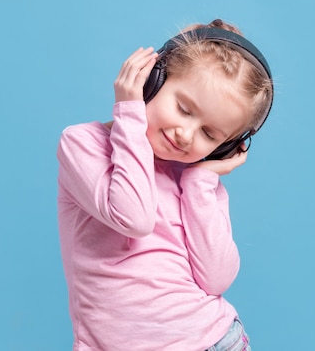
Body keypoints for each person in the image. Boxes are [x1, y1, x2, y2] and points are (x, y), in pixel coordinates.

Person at [56, 19, 273, 350]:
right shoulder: (83, 144)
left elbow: (217, 279)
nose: (185, 134)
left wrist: (201, 182)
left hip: (213, 340)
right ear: (152, 80)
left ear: (226, 147)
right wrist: (129, 112)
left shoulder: (197, 181)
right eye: (184, 109)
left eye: (209, 134)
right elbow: (134, 217)